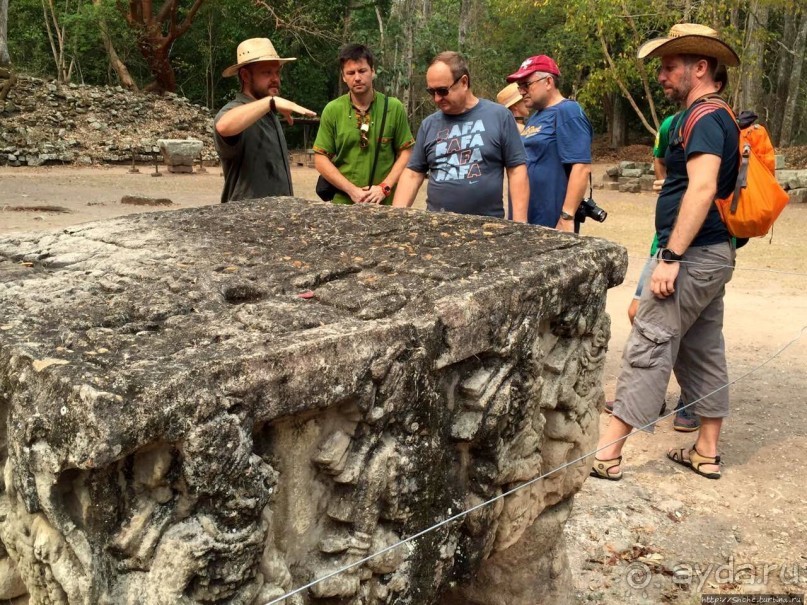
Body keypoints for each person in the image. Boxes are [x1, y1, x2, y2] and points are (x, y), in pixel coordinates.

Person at [591, 23, 740, 481]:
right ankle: (706, 452)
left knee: (650, 340)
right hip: (714, 253)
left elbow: (702, 187)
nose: (661, 75)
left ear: (701, 67)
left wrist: (670, 257)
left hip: (692, 256)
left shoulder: (706, 119)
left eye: (669, 66)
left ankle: (607, 453)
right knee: (702, 349)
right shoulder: (716, 117)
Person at [392, 51, 529, 222]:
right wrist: (396, 219)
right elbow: (413, 174)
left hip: (488, 228)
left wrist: (520, 224)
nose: (436, 98)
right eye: (431, 92)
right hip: (436, 227)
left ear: (464, 82)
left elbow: (516, 170)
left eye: (442, 91)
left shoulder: (499, 116)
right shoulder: (429, 124)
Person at [214, 38, 316, 204]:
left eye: (277, 72)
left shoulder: (269, 112)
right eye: (267, 72)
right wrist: (271, 102)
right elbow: (223, 125)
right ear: (246, 76)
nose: (275, 78)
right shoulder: (236, 109)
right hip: (245, 221)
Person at [313, 44, 415, 206]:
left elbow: (406, 152)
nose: (357, 78)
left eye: (362, 71)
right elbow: (320, 158)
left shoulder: (393, 108)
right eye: (350, 73)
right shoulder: (333, 110)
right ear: (343, 76)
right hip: (343, 204)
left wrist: (384, 187)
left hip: (384, 205)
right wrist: (352, 190)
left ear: (373, 72)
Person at [506, 55, 592, 230]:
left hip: (551, 223)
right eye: (519, 86)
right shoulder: (535, 117)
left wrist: (566, 218)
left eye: (526, 84)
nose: (521, 91)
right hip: (528, 221)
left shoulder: (568, 110)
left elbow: (581, 168)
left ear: (548, 82)